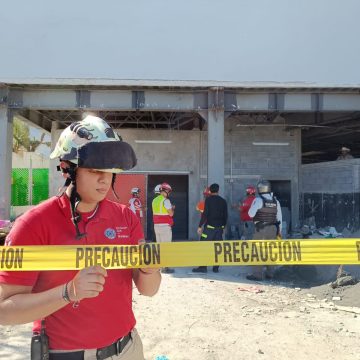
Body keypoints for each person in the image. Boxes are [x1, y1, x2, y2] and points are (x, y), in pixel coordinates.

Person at [0, 115, 161, 360]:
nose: (104, 178)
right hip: (70, 354)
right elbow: (4, 312)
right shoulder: (33, 225)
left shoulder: (125, 218)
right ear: (69, 169)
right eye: (95, 169)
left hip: (128, 348)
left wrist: (150, 271)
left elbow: (148, 290)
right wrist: (69, 292)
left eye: (109, 170)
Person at [246, 180, 282, 281]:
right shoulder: (276, 201)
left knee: (257, 251)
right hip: (274, 229)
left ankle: (257, 275)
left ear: (259, 189)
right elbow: (280, 218)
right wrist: (279, 232)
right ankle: (270, 274)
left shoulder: (258, 200)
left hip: (261, 229)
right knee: (270, 251)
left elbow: (250, 214)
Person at [192, 183, 228, 273]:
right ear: (218, 190)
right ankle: (216, 268)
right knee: (218, 248)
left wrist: (200, 226)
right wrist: (223, 227)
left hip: (209, 229)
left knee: (203, 246)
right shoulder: (223, 201)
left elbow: (205, 214)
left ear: (210, 191)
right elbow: (226, 216)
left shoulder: (208, 200)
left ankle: (203, 267)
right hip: (219, 229)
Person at [152, 182, 175, 274]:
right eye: (169, 191)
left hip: (156, 226)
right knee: (166, 247)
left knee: (159, 246)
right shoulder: (166, 201)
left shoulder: (154, 200)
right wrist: (172, 208)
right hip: (165, 227)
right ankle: (166, 267)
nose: (169, 193)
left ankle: (160, 266)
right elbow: (171, 214)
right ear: (166, 191)